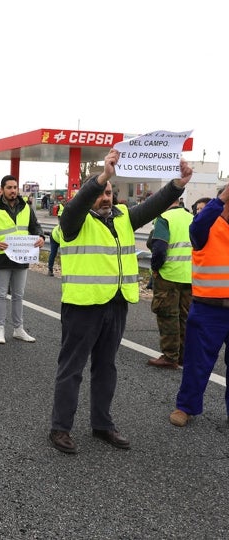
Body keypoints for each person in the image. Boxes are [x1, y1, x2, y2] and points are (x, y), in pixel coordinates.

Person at [48, 149, 192, 454]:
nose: (106, 197)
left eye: (110, 192)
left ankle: (102, 424)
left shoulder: (124, 218)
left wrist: (177, 184)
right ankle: (60, 428)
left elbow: (152, 206)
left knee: (106, 367)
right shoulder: (72, 221)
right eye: (101, 192)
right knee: (71, 368)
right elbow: (76, 206)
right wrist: (102, 176)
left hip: (115, 305)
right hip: (82, 307)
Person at [169, 183, 229, 427]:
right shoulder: (206, 227)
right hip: (208, 308)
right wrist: (223, 197)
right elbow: (196, 226)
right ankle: (186, 407)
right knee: (197, 363)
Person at [0, 174, 45, 344]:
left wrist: (40, 236)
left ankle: (18, 329)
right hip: (2, 257)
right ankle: (0, 329)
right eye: (9, 188)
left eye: (15, 187)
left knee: (18, 295)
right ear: (3, 190)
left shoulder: (26, 208)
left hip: (22, 257)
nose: (13, 191)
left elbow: (35, 227)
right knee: (1, 294)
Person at [147, 197, 193, 369]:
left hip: (169, 275)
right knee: (185, 316)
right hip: (189, 275)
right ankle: (183, 355)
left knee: (167, 316)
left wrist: (155, 268)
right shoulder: (191, 217)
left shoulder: (164, 218)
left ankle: (170, 356)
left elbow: (159, 248)